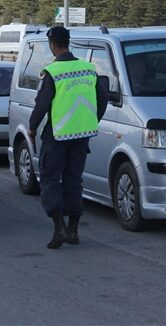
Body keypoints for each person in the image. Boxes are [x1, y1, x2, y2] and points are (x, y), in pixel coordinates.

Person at [29, 26, 108, 249]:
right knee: (74, 181)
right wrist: (91, 120)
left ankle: (59, 227)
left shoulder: (52, 72)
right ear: (69, 43)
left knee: (50, 179)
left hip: (57, 136)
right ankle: (73, 230)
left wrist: (32, 127)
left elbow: (41, 104)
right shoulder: (88, 69)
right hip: (82, 136)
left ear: (53, 44)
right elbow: (102, 99)